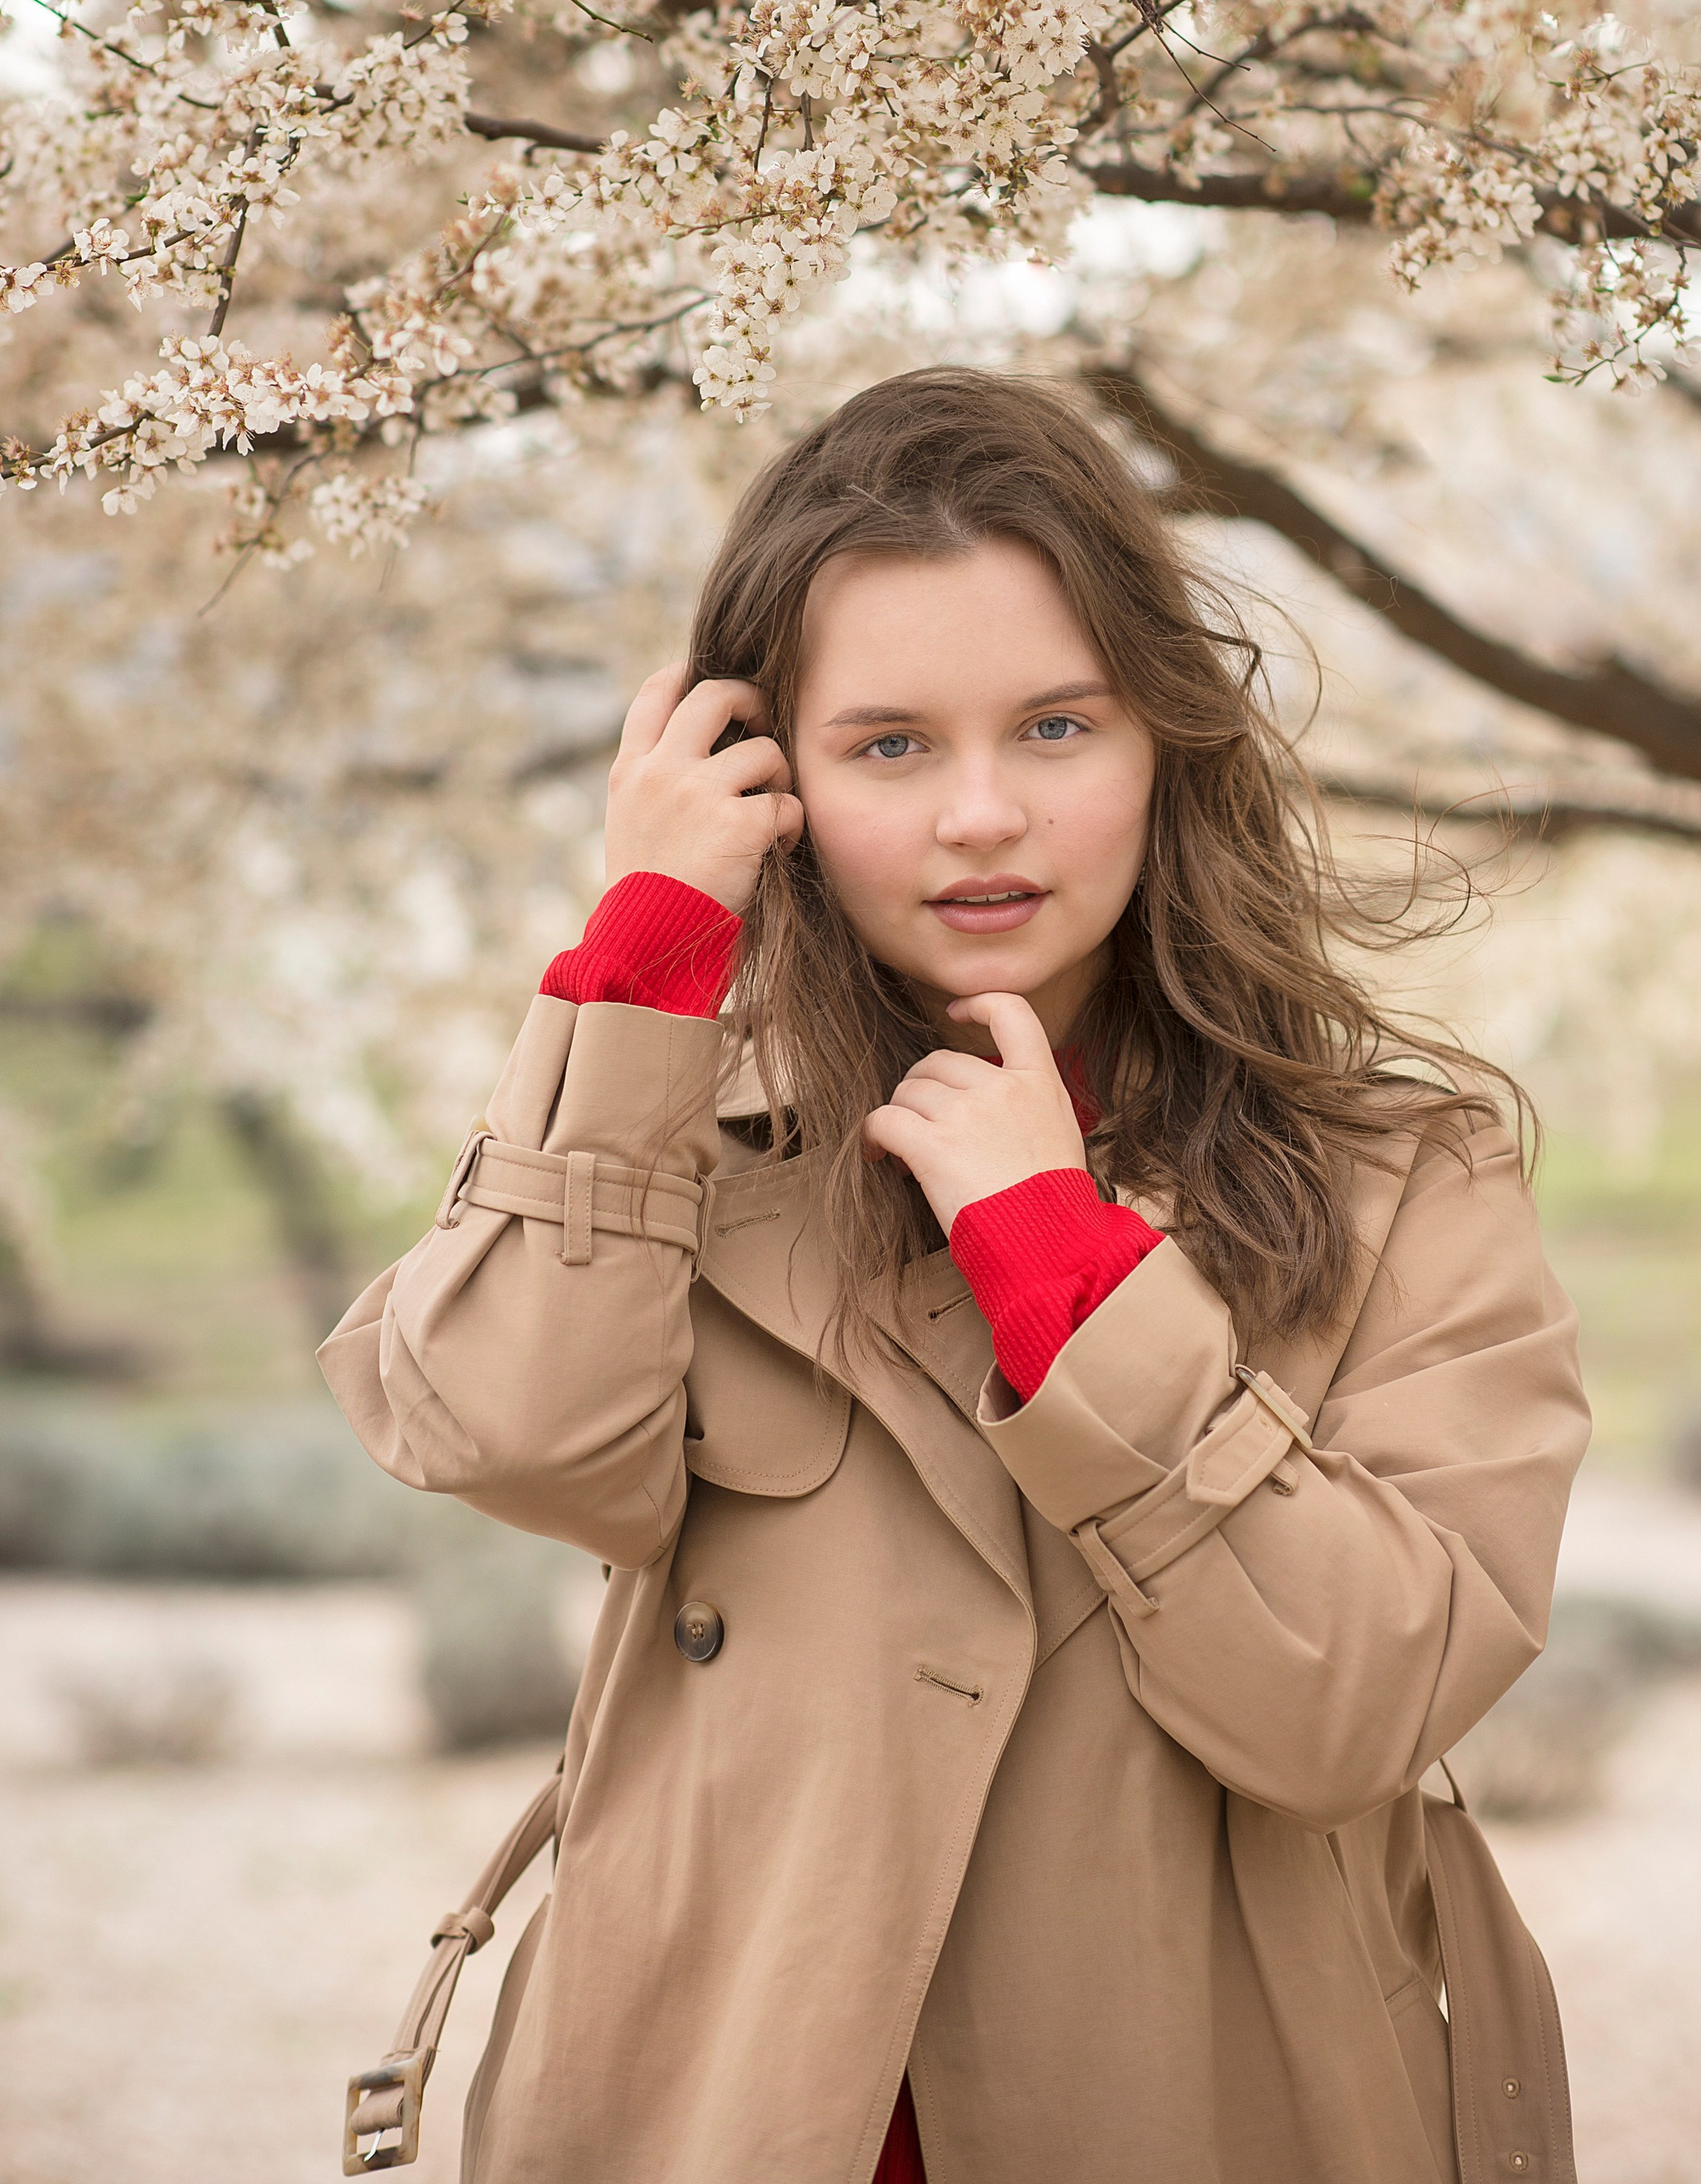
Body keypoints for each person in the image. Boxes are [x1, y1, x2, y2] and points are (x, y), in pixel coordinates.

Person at [321, 368, 1590, 2184]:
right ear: (772, 778)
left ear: (1164, 736)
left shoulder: (1402, 1177)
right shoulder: (667, 1126)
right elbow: (509, 1437)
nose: (980, 813)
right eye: (889, 744)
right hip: (725, 2096)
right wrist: (644, 956)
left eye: (1056, 727)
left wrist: (1062, 1264)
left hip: (1212, 2103)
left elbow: (1353, 1702)